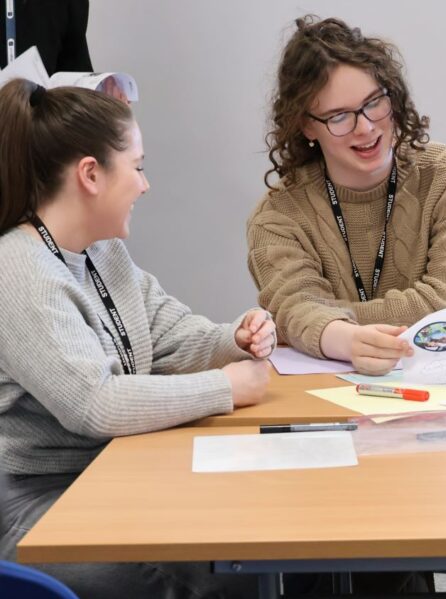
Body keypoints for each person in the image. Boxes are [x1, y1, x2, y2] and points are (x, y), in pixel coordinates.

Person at [0, 79, 273, 598]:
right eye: (139, 167)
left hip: (108, 478)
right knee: (221, 576)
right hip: (35, 507)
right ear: (90, 174)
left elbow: (170, 336)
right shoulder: (17, 270)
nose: (145, 185)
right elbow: (96, 405)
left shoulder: (102, 254)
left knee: (252, 542)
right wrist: (227, 387)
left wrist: (235, 337)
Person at [248, 16, 446, 377]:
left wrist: (331, 323)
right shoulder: (277, 216)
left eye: (374, 102)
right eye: (339, 116)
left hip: (444, 381)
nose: (366, 127)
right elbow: (294, 306)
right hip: (328, 392)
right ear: (306, 125)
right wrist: (337, 336)